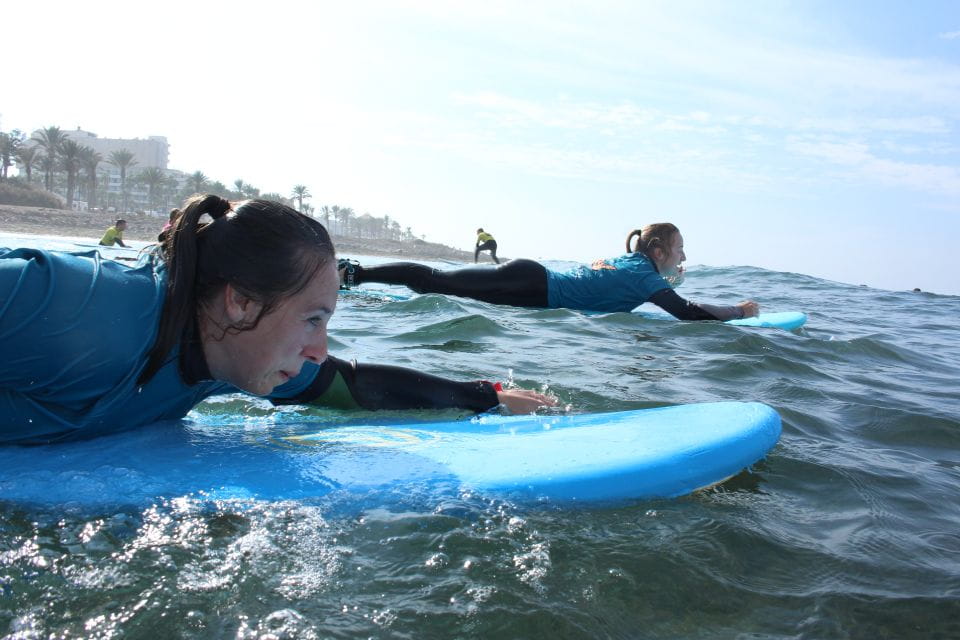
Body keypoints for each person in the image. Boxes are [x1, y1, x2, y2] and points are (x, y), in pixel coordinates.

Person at [0, 195, 553, 445]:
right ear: (239, 301)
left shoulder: (230, 351)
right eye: (313, 319)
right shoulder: (78, 311)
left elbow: (351, 385)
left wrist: (485, 395)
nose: (319, 347)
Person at [340, 223, 759, 320]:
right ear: (659, 249)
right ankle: (354, 273)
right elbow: (685, 312)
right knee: (437, 281)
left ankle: (357, 275)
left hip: (532, 282)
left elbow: (616, 285)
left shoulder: (632, 264)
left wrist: (669, 278)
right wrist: (739, 311)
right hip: (532, 285)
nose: (683, 257)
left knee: (441, 285)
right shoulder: (642, 275)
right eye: (680, 250)